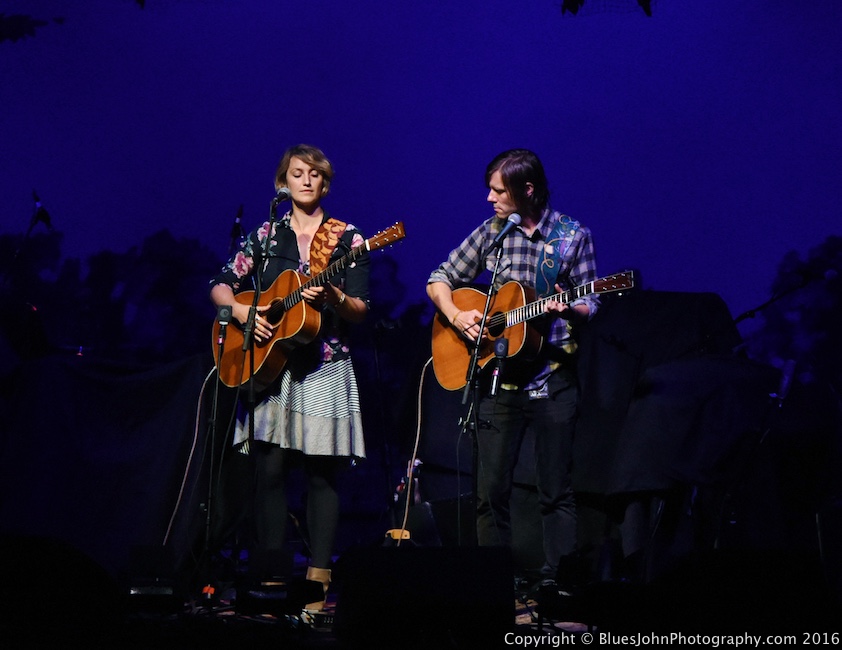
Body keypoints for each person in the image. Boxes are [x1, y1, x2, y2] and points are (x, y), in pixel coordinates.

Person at [426, 148, 599, 586]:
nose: (489, 198)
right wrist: (456, 314)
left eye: (497, 190)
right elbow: (439, 278)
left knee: (555, 491)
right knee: (489, 493)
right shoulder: (493, 233)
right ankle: (496, 582)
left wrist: (571, 309)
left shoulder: (572, 237)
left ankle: (559, 583)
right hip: (498, 379)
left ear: (527, 189)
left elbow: (590, 302)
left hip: (552, 379)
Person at [209, 144, 369, 611]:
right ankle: (272, 575)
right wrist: (240, 309)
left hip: (325, 364)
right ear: (283, 182)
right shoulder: (265, 234)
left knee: (322, 473)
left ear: (326, 184)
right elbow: (219, 284)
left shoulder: (348, 238)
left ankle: (319, 580)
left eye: (315, 175)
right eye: (297, 173)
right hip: (271, 365)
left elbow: (359, 311)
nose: (305, 181)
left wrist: (336, 297)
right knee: (271, 469)